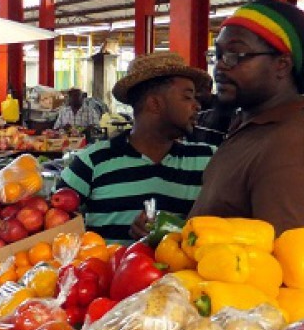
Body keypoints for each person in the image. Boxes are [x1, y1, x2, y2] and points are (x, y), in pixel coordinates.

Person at [188, 0, 304, 238]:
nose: (219, 66)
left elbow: (291, 266)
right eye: (218, 54)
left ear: (281, 65)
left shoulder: (292, 150)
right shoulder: (253, 129)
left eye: (235, 54)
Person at [61, 53, 214, 242]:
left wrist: (170, 230)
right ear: (155, 104)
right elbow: (53, 226)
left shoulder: (209, 161)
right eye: (187, 97)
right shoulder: (93, 161)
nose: (196, 106)